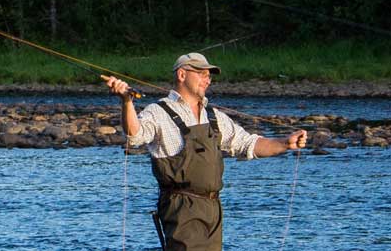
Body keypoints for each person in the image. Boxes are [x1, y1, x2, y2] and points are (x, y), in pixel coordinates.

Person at [104, 52, 307, 251]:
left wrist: (285, 144)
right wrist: (127, 101)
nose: (207, 79)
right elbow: (135, 135)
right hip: (181, 209)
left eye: (209, 75)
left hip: (213, 209)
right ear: (182, 75)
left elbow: (248, 144)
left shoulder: (214, 117)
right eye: (201, 73)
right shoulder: (159, 112)